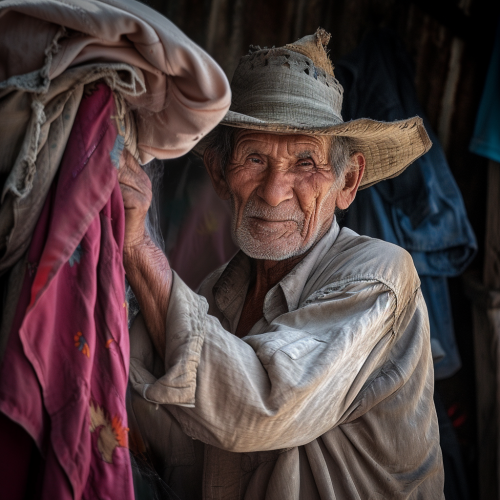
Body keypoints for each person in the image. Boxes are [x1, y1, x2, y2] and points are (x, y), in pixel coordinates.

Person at [123, 29, 445, 499]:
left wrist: (138, 249)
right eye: (254, 157)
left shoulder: (379, 277)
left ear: (347, 182)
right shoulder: (211, 298)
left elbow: (255, 409)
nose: (274, 191)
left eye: (305, 163)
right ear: (219, 174)